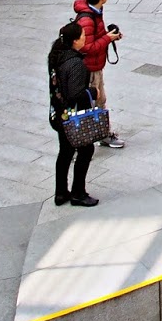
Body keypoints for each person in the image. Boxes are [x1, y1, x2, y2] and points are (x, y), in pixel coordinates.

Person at [48, 22, 99, 207]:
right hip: (72, 118)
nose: (85, 38)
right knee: (86, 150)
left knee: (66, 151)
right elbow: (75, 95)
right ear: (75, 41)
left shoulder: (56, 56)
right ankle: (78, 193)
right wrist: (93, 92)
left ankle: (61, 192)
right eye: (83, 36)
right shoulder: (75, 64)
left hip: (58, 115)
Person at [72, 0, 124, 148]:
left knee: (100, 100)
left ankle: (102, 133)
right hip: (89, 69)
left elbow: (95, 38)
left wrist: (110, 36)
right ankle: (81, 142)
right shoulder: (87, 19)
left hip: (96, 66)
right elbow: (86, 48)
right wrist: (107, 38)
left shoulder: (96, 11)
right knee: (91, 103)